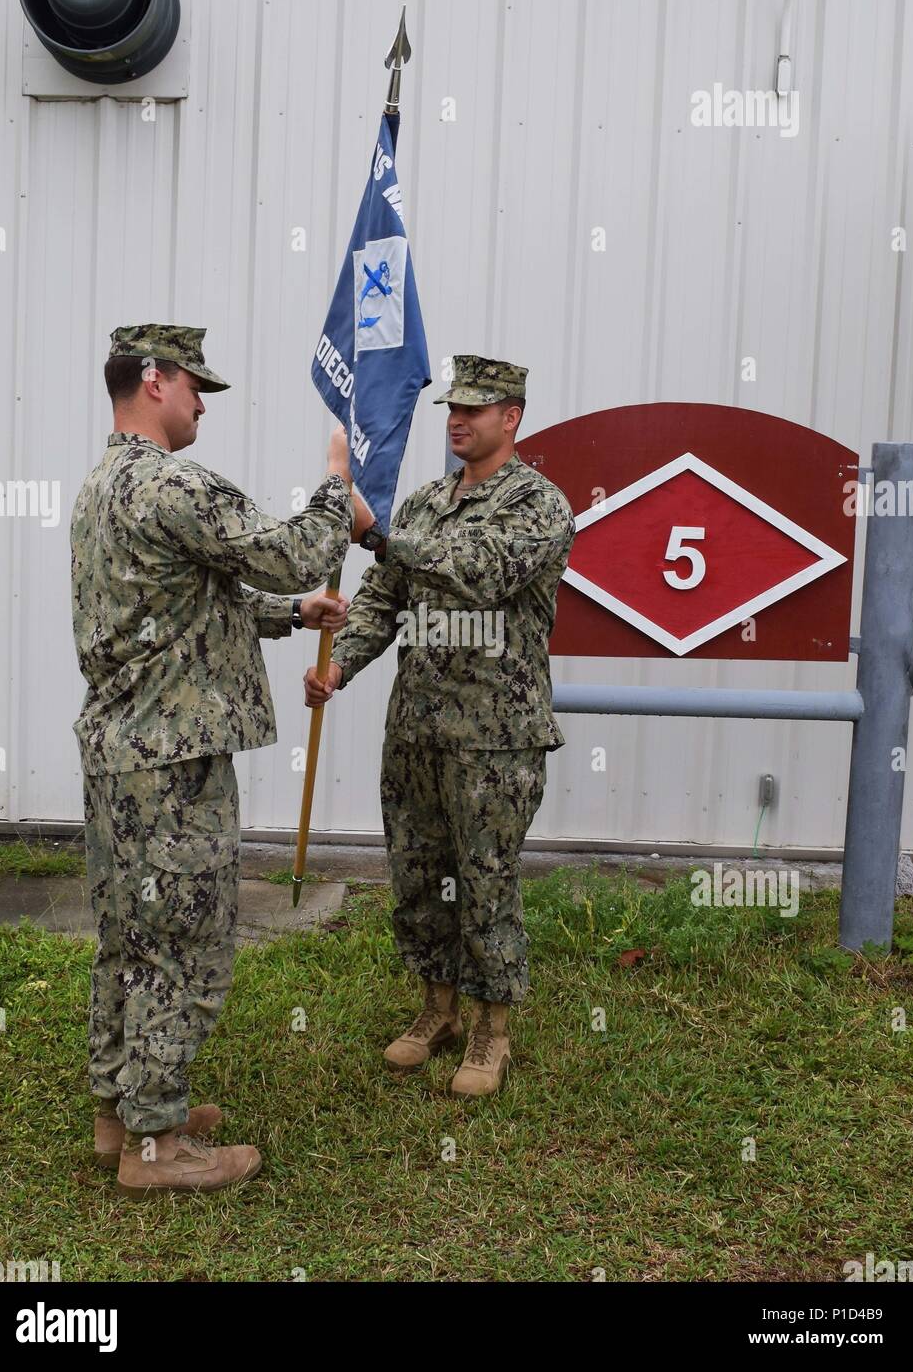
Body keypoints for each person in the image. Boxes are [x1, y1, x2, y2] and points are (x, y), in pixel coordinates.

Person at [71, 324, 374, 1196]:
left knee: (127, 936)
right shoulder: (170, 481)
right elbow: (285, 550)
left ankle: (120, 1109)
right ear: (155, 381)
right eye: (195, 385)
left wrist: (292, 615)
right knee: (186, 943)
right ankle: (157, 1147)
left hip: (122, 753)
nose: (203, 402)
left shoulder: (105, 485)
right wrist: (335, 487)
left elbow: (187, 601)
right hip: (174, 761)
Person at [304, 355, 576, 1097]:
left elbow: (479, 571)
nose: (458, 420)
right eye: (452, 408)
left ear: (510, 416)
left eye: (475, 409)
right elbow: (382, 599)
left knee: (485, 881)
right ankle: (437, 1010)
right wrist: (339, 667)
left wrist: (377, 535)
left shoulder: (538, 507)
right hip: (418, 726)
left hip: (495, 734)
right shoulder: (423, 503)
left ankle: (493, 1029)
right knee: (420, 876)